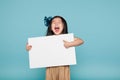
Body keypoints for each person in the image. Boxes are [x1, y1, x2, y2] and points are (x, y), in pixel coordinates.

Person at [26, 16, 84, 80]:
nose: (56, 24)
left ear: (64, 26)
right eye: (53, 22)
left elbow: (81, 41)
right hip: (50, 66)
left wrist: (70, 44)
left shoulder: (67, 38)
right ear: (50, 27)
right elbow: (31, 44)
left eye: (59, 22)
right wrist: (28, 48)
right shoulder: (46, 40)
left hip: (63, 67)